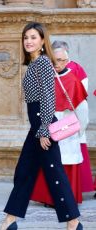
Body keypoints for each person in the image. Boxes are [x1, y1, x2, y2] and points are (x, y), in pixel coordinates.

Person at [0, 22, 83, 230]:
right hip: (36, 126)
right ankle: (10, 220)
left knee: (54, 173)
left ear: (43, 41)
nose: (28, 41)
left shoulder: (44, 62)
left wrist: (45, 128)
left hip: (43, 125)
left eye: (33, 37)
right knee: (24, 172)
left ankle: (73, 221)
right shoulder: (35, 63)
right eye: (26, 37)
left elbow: (48, 97)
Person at [31, 47, 88, 206]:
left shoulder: (73, 80)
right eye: (54, 60)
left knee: (65, 162)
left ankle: (66, 198)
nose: (57, 64)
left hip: (67, 128)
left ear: (67, 61)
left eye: (61, 60)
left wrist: (78, 131)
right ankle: (50, 199)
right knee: (49, 162)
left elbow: (82, 109)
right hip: (47, 125)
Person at [52, 40, 94, 194]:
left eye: (62, 59)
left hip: (65, 121)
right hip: (70, 122)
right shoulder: (72, 71)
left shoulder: (72, 72)